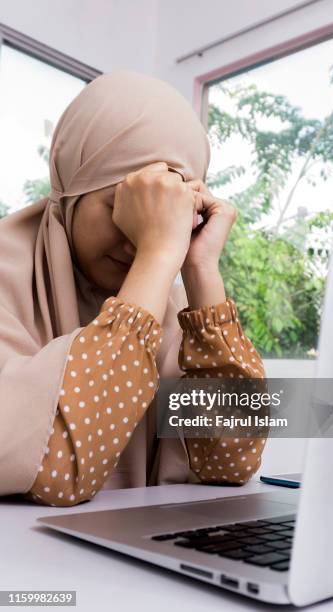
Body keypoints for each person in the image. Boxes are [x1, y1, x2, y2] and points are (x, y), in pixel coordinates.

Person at [0, 71, 266, 507]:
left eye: (161, 218)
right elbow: (52, 467)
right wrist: (159, 258)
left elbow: (231, 461)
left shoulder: (170, 305)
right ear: (69, 191)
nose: (136, 240)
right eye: (119, 207)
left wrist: (201, 272)